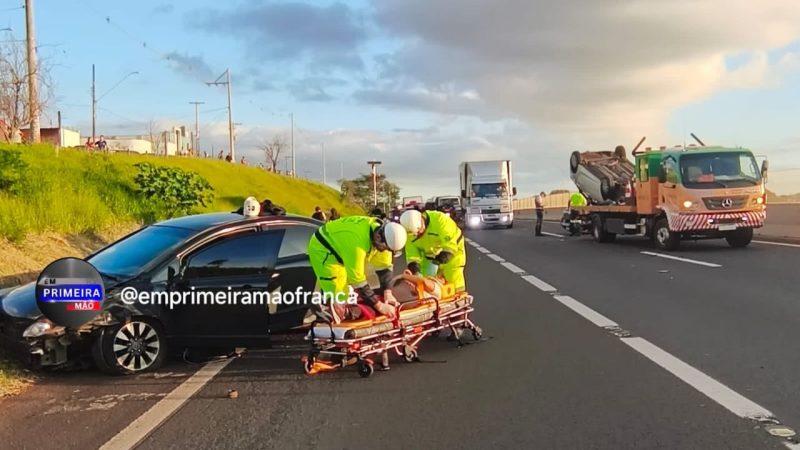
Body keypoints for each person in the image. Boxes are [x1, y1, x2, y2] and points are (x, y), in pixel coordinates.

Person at [307, 216, 406, 324]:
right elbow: (358, 281)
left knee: (354, 294)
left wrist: (388, 292)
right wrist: (380, 306)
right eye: (384, 248)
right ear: (379, 240)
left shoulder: (383, 234)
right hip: (324, 249)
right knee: (340, 299)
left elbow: (384, 267)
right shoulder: (357, 244)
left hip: (343, 242)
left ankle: (339, 308)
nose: (385, 251)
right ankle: (324, 310)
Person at [399, 209, 466, 293]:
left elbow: (450, 247)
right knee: (425, 284)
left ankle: (460, 298)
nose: (417, 235)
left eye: (419, 232)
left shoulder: (440, 220)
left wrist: (437, 263)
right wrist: (415, 270)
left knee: (453, 278)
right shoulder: (410, 232)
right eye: (414, 234)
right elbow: (412, 254)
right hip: (429, 254)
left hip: (452, 251)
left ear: (422, 220)